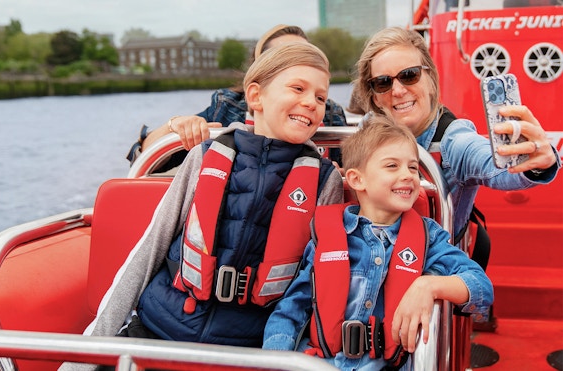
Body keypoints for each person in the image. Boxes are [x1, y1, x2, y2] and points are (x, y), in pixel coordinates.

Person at [59, 42, 344, 371]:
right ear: (255, 96)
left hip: (244, 352)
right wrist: (85, 356)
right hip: (157, 333)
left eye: (321, 97)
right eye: (298, 88)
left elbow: (315, 282)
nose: (310, 102)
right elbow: (149, 249)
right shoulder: (206, 155)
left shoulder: (325, 182)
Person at [262, 115, 494, 370]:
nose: (407, 175)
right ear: (357, 179)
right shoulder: (327, 236)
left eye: (413, 167)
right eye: (392, 166)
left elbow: (482, 288)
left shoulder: (429, 237)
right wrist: (276, 361)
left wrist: (429, 286)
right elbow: (291, 310)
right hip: (323, 363)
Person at [350, 26, 560, 256]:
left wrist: (538, 160)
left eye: (409, 75)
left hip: (435, 272)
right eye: (383, 82)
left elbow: (494, 165)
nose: (398, 90)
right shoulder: (365, 130)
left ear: (430, 79)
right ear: (374, 96)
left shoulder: (454, 141)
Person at [126, 24, 347, 169]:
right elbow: (147, 159)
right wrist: (177, 126)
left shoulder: (330, 113)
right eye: (283, 57)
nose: (298, 63)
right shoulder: (227, 106)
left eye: (306, 55)